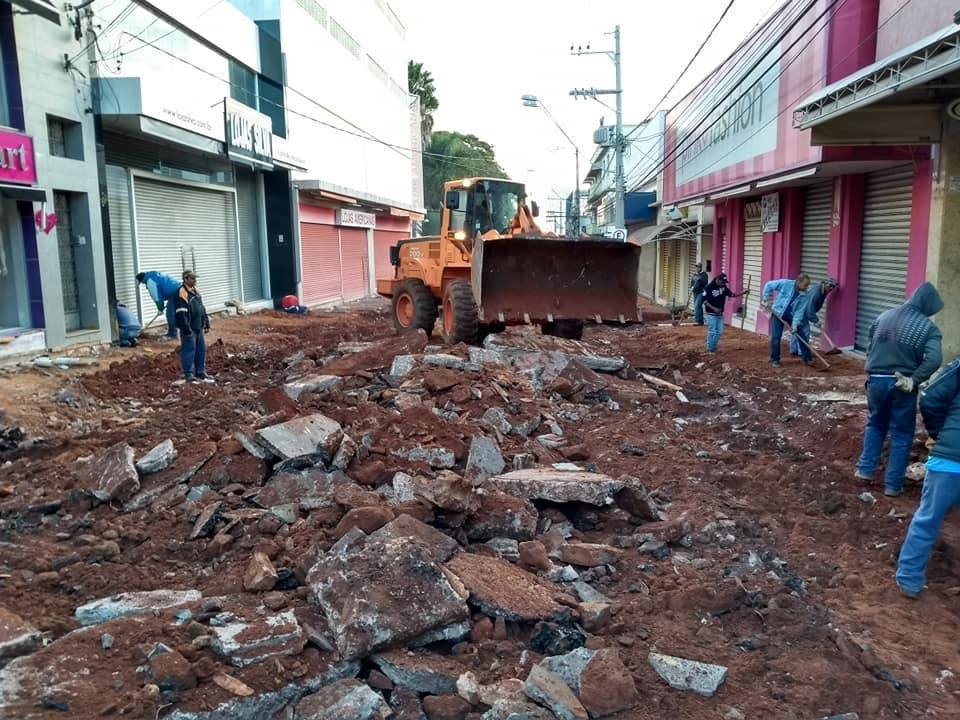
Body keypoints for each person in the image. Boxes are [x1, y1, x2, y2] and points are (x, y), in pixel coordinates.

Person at [856, 282, 943, 497]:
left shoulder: (883, 316)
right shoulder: (928, 327)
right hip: (902, 384)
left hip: (876, 380)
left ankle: (865, 471)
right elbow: (934, 360)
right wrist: (914, 379)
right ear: (927, 305)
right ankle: (893, 485)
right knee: (902, 433)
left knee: (875, 424)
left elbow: (869, 345)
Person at [895, 358, 960, 598]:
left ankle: (909, 581)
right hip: (950, 458)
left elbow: (930, 397)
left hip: (948, 461)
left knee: (927, 520)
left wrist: (940, 434)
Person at [761, 273, 811, 367]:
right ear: (798, 282)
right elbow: (769, 285)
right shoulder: (786, 283)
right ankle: (775, 359)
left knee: (801, 334)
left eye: (807, 285)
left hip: (791, 316)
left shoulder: (805, 295)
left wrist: (795, 325)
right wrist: (766, 299)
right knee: (776, 337)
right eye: (805, 285)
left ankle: (807, 358)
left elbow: (799, 311)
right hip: (778, 313)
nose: (806, 288)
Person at [174, 270, 212, 384]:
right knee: (189, 350)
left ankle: (200, 372)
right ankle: (188, 374)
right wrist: (186, 329)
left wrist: (206, 321)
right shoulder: (182, 292)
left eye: (195, 278)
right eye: (192, 278)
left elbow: (201, 307)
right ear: (185, 279)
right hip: (189, 328)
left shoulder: (196, 292)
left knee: (201, 349)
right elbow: (181, 313)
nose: (194, 281)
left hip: (198, 326)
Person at [790, 277, 838, 357]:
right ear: (825, 284)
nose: (831, 288)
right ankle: (802, 352)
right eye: (830, 286)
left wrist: (814, 320)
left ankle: (794, 350)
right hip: (802, 312)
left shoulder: (823, 291)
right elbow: (809, 309)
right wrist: (815, 321)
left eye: (833, 287)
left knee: (797, 331)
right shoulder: (816, 293)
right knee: (805, 332)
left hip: (802, 310)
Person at [702, 272, 747, 353]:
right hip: (711, 314)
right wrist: (714, 308)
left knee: (720, 332)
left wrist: (743, 292)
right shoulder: (708, 288)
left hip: (720, 314)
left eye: (724, 282)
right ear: (718, 280)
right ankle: (710, 349)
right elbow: (704, 301)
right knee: (712, 331)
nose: (724, 284)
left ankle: (713, 347)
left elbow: (732, 294)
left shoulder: (723, 287)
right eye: (722, 282)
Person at [136, 271, 181, 340]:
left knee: (170, 313)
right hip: (178, 289)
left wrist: (160, 309)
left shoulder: (150, 282)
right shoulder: (152, 274)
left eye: (141, 282)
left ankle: (173, 334)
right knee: (178, 312)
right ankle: (180, 331)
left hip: (175, 293)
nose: (143, 284)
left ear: (142, 280)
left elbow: (157, 299)